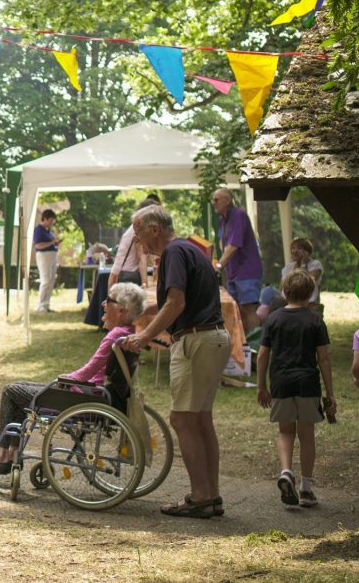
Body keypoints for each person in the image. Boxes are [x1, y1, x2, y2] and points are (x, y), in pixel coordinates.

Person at [0, 282, 147, 475]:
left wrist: (66, 378)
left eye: (109, 301)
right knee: (18, 387)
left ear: (122, 310)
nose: (104, 304)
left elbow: (87, 373)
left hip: (85, 397)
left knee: (11, 391)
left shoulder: (115, 336)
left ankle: (2, 456)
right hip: (95, 394)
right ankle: (10, 454)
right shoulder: (128, 334)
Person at [127, 205, 231, 519]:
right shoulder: (189, 248)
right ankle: (211, 496)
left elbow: (177, 302)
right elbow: (177, 300)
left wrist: (144, 336)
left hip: (196, 340)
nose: (137, 240)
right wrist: (142, 314)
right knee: (200, 420)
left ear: (153, 229)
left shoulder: (173, 254)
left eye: (138, 233)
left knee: (183, 420)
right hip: (214, 338)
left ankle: (200, 497)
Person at [256, 270, 334, 508]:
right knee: (306, 434)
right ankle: (306, 489)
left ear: (284, 290)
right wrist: (330, 393)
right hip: (307, 383)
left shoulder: (273, 319)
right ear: (310, 293)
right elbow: (323, 359)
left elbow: (262, 356)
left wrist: (261, 386)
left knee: (285, 432)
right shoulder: (315, 320)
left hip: (281, 382)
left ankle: (286, 471)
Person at [211, 188, 263, 330]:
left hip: (247, 271)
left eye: (216, 200)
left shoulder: (238, 215)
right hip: (233, 272)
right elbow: (223, 244)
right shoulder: (222, 219)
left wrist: (219, 267)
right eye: (212, 200)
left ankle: (254, 347)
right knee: (237, 310)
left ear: (228, 201)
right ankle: (243, 347)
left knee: (248, 308)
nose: (213, 203)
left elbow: (233, 246)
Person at [109, 197, 159, 289]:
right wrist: (146, 286)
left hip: (124, 275)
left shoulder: (133, 228)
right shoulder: (139, 230)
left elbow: (115, 270)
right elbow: (142, 258)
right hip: (131, 277)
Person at [33, 209, 59, 313]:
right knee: (46, 280)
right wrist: (52, 242)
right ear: (45, 219)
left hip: (52, 256)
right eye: (51, 220)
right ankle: (41, 305)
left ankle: (46, 304)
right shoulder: (38, 230)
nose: (52, 222)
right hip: (44, 256)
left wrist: (55, 243)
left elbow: (50, 243)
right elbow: (38, 245)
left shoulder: (48, 230)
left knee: (51, 280)